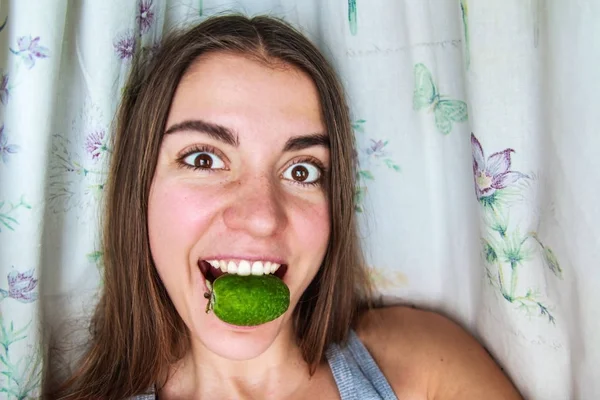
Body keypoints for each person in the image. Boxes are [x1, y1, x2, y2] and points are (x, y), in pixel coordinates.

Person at [49, 14, 523, 400]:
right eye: (204, 158)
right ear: (140, 191)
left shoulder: (423, 366)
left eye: (302, 171)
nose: (261, 216)